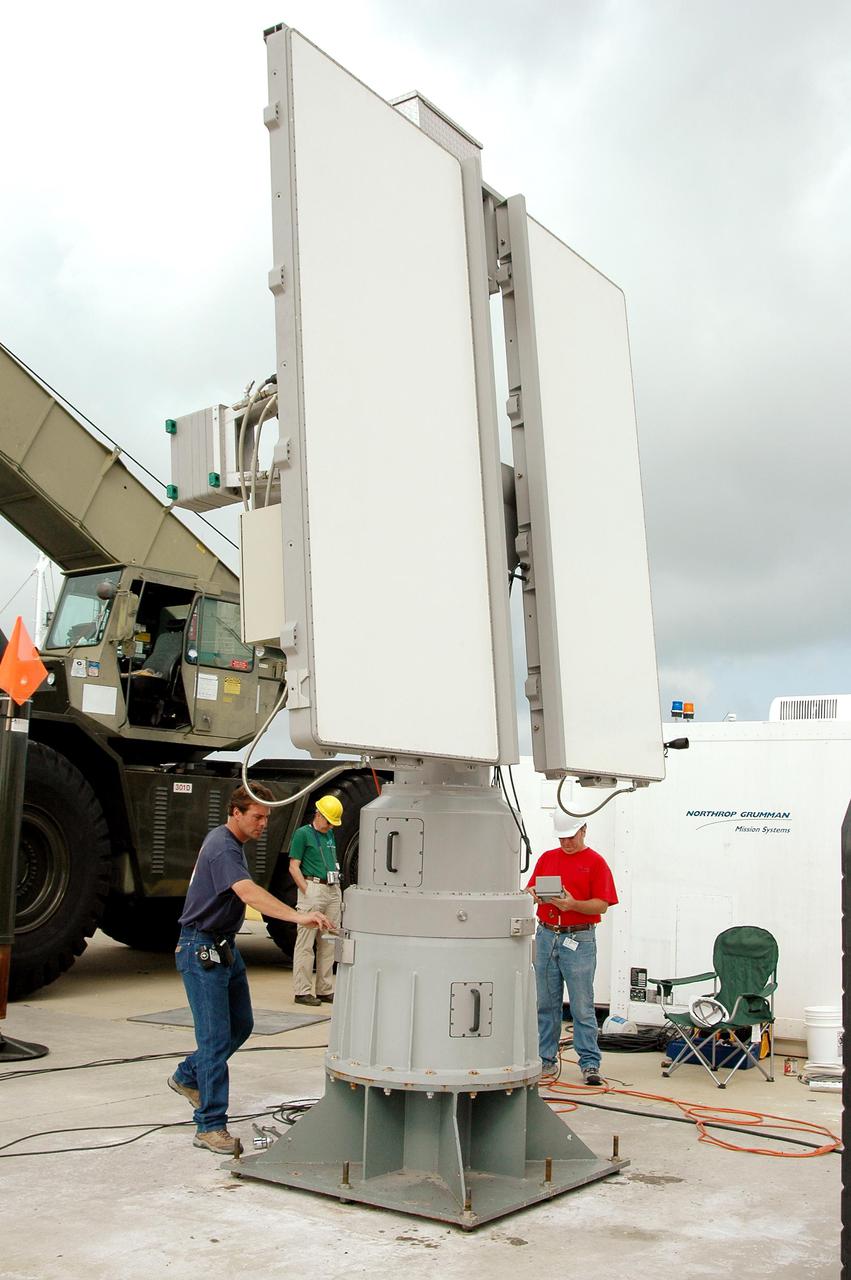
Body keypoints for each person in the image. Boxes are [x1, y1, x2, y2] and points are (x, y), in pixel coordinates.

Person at [168, 783, 333, 1154]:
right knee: (213, 1040)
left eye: (267, 818)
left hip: (223, 946)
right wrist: (297, 916)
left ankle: (186, 1076)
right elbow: (248, 893)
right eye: (257, 817)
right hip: (201, 948)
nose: (263, 824)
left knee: (240, 1026)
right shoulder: (223, 847)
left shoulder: (231, 846)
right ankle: (210, 1126)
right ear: (235, 813)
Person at [526, 812, 618, 1086]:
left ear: (584, 831)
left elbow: (602, 904)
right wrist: (532, 892)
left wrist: (573, 905)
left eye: (571, 837)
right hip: (547, 934)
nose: (566, 842)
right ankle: (546, 1059)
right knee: (546, 1002)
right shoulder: (547, 858)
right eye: (562, 838)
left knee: (581, 1005)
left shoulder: (596, 863)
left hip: (578, 937)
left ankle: (589, 1062)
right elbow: (531, 886)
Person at [288, 794, 344, 1006]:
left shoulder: (329, 835)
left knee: (328, 941)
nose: (331, 826)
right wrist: (306, 889)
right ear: (318, 815)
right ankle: (302, 990)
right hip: (313, 887)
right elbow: (294, 866)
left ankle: (324, 988)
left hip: (331, 888)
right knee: (305, 942)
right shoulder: (303, 834)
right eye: (329, 821)